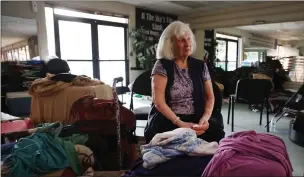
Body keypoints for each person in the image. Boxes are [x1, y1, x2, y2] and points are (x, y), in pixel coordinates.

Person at [144, 21, 225, 143]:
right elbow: (158, 102)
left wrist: (205, 119)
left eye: (188, 39)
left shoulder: (201, 66)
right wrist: (179, 123)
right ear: (170, 44)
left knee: (216, 135)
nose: (187, 44)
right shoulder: (162, 65)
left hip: (198, 117)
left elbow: (210, 97)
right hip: (169, 118)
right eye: (182, 40)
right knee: (172, 143)